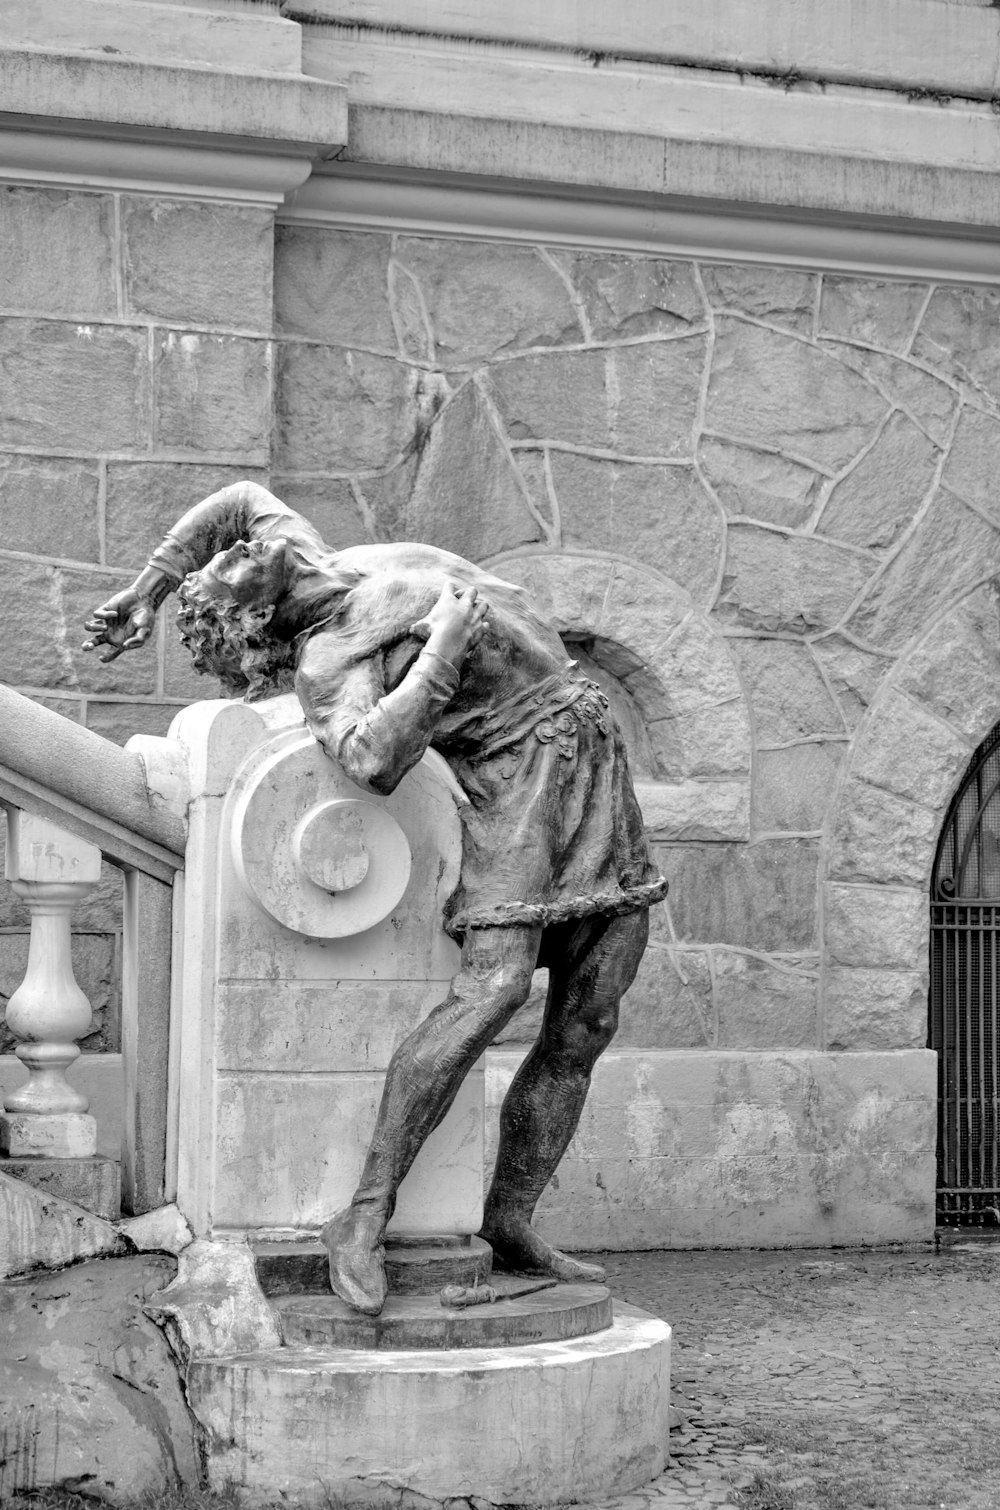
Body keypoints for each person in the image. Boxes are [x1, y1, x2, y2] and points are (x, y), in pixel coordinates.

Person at [85, 480, 667, 1316]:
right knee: (493, 992)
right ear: (256, 622)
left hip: (595, 764)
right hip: (518, 790)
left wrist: (151, 586)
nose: (235, 552)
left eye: (229, 553)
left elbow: (239, 499)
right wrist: (443, 649)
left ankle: (509, 1219)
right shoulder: (329, 654)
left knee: (590, 1019)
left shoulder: (320, 556)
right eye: (225, 573)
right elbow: (369, 758)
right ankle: (364, 1214)